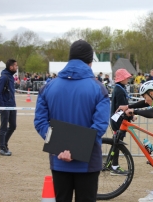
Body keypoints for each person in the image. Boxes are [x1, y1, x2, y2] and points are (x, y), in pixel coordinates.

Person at [34, 39, 110, 202]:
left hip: (58, 160)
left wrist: (60, 148)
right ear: (90, 62)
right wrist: (75, 150)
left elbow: (40, 122)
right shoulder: (98, 88)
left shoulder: (48, 87)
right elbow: (100, 126)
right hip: (88, 162)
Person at [110, 68, 132, 175]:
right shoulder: (119, 90)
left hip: (117, 120)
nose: (128, 79)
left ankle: (111, 164)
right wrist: (131, 116)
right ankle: (114, 166)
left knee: (116, 143)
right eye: (126, 77)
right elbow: (122, 107)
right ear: (121, 79)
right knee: (117, 143)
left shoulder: (119, 88)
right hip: (118, 121)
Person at [0, 59, 18, 156]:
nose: (17, 67)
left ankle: (4, 143)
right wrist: (2, 106)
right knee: (3, 127)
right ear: (11, 67)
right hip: (5, 106)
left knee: (13, 126)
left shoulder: (11, 77)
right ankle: (2, 148)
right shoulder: (4, 77)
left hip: (12, 106)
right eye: (15, 65)